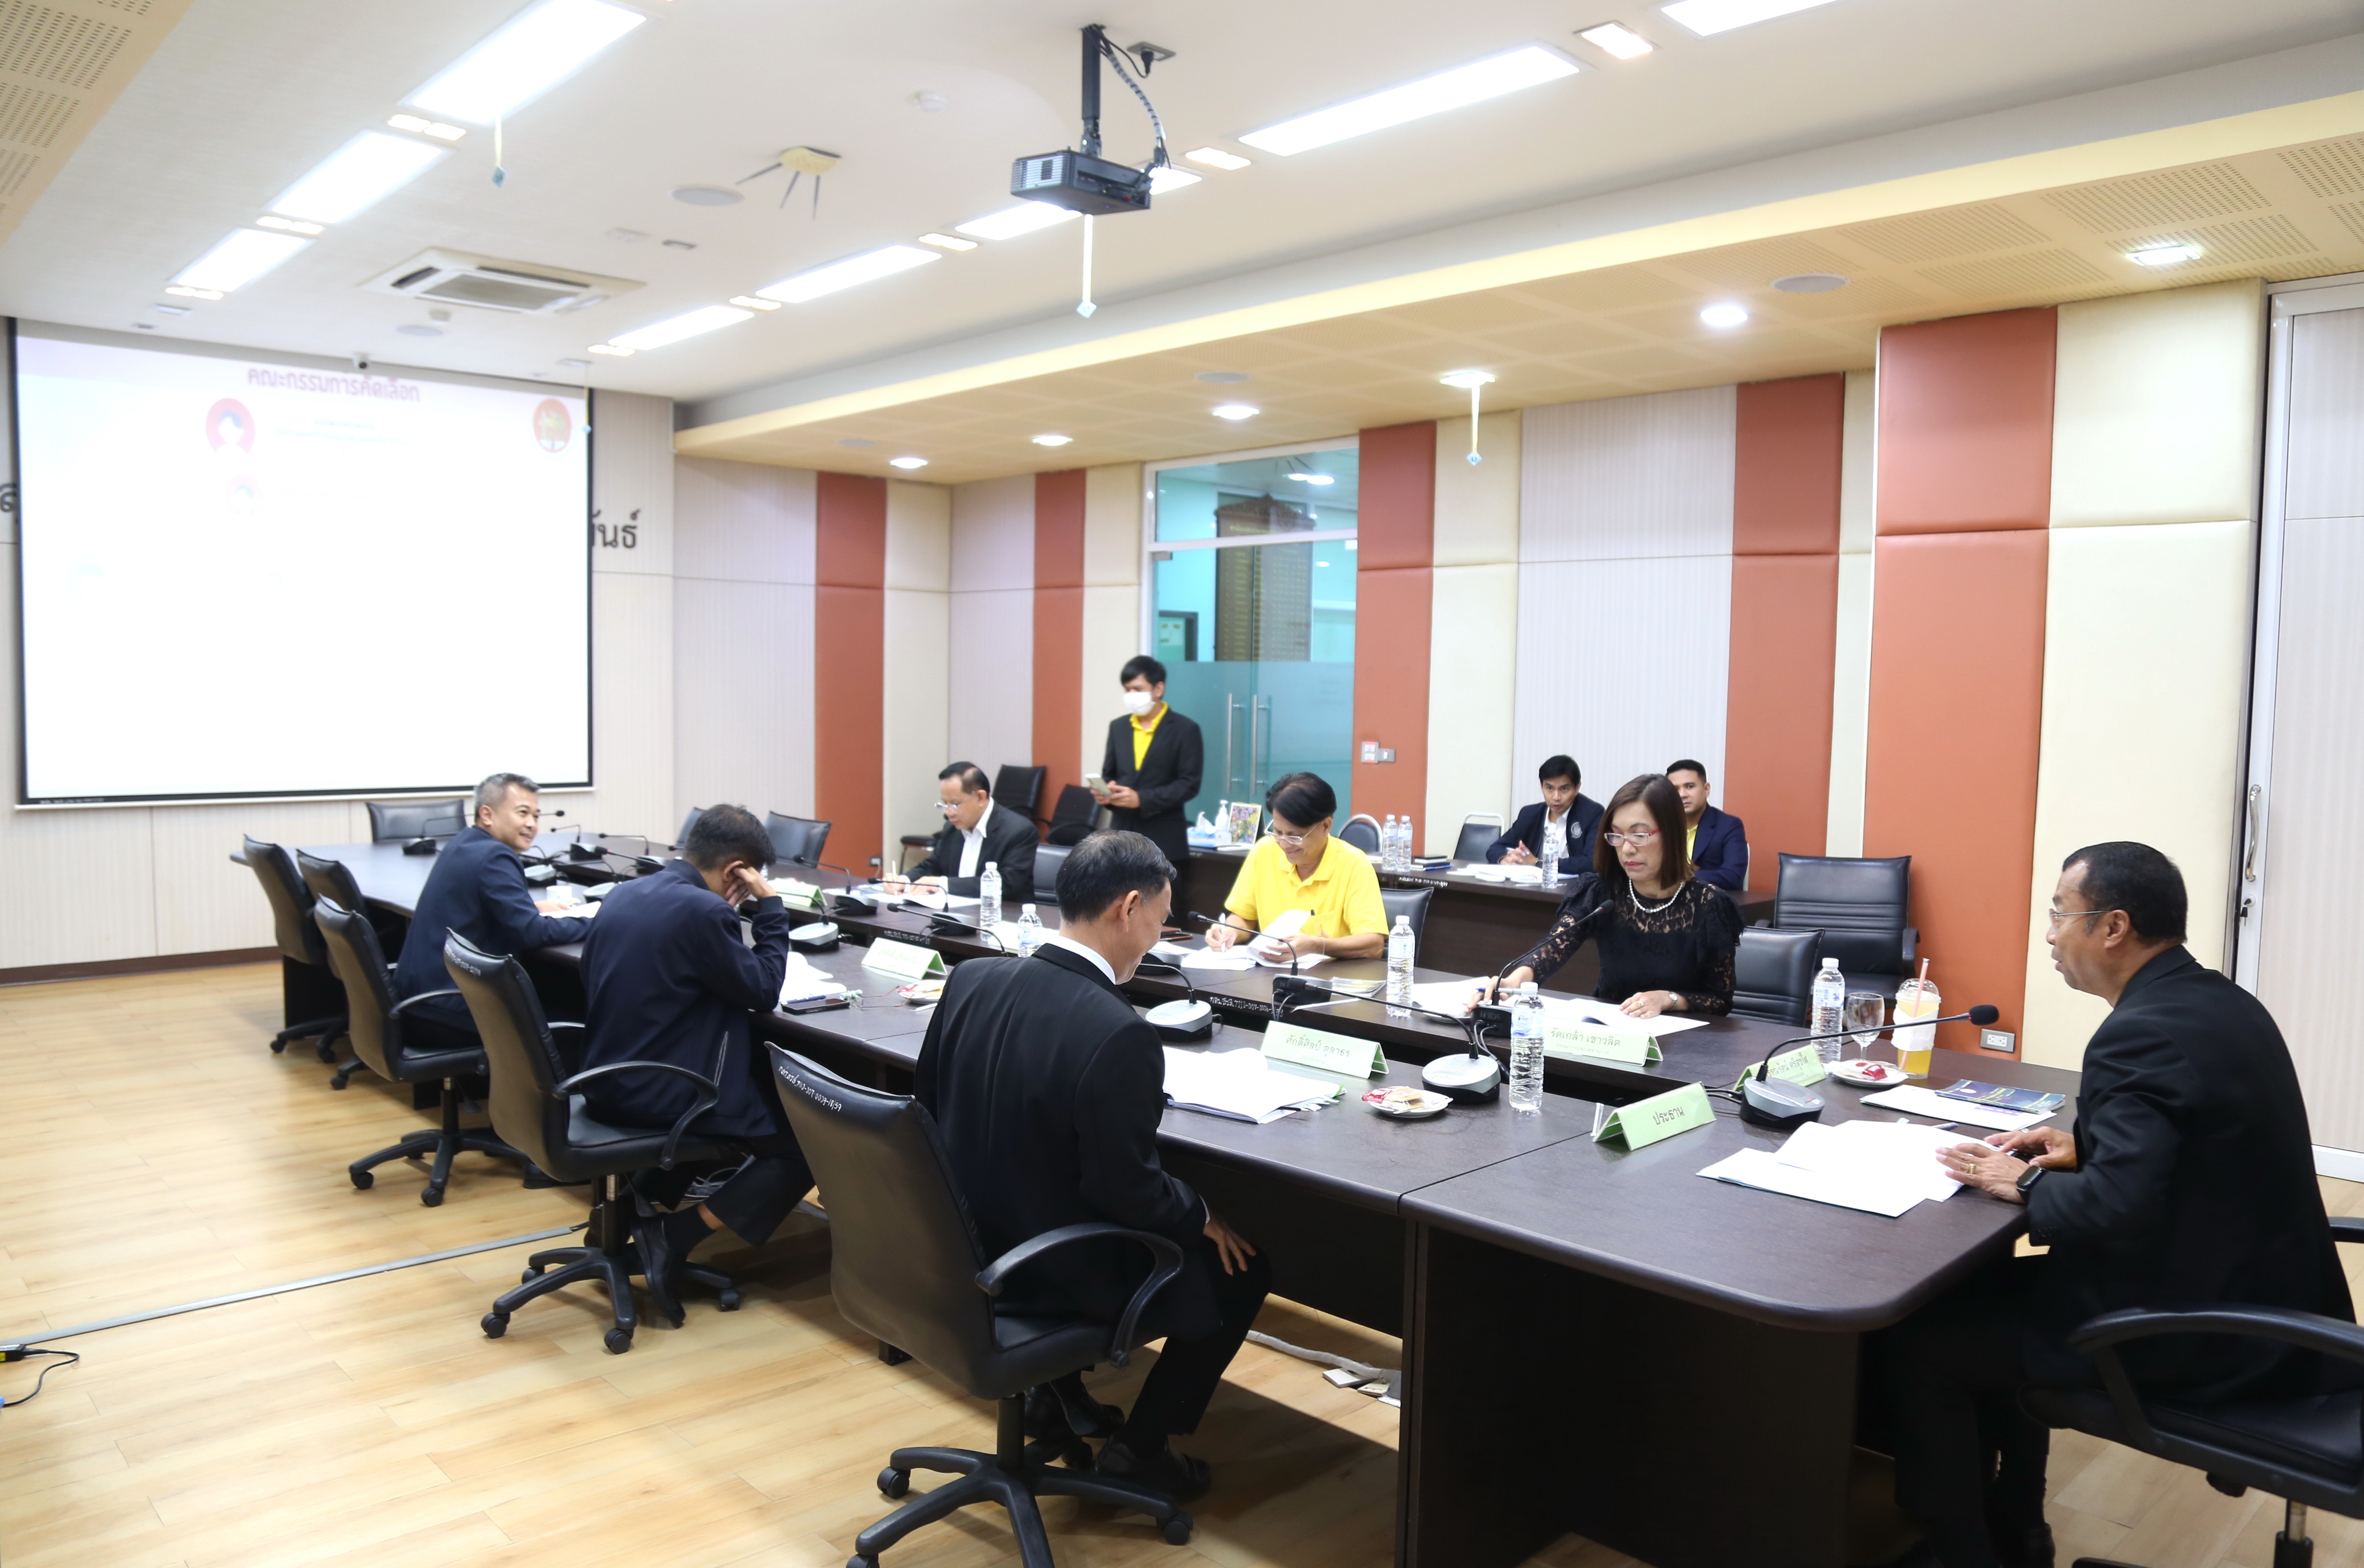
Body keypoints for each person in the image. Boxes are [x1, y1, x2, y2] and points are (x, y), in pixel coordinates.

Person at [1877, 843, 2356, 1568]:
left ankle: (1963, 1552)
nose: (2047, 935)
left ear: (2113, 926)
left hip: (2206, 1330)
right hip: (2272, 1300)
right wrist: (2083, 1146)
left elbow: (2115, 1208)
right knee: (1979, 1296)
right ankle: (2018, 1529)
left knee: (1921, 1339)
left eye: (2057, 915)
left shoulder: (2137, 1032)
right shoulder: (2217, 1000)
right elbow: (2200, 1144)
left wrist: (2023, 1181)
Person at [915, 831, 1269, 1498]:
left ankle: (1052, 1396)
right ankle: (1141, 1449)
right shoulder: (1117, 1030)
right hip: (1048, 1270)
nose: (1158, 937)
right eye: (1160, 919)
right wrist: (1200, 1212)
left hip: (960, 1245)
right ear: (1128, 908)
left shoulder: (970, 979)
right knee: (1240, 1267)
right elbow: (1125, 1190)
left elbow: (925, 1111)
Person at [574, 804, 815, 1326]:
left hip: (604, 1078)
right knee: (805, 1139)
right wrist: (770, 908)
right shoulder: (704, 912)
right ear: (736, 872)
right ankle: (673, 1235)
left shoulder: (626, 892)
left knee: (742, 1103)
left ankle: (628, 1205)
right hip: (661, 1089)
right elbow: (762, 989)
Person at [1487, 773, 1741, 1018]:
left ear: (1672, 833)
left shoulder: (1709, 905)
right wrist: (1515, 979)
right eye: (1617, 835)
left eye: (1639, 835)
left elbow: (1720, 1001)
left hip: (1683, 1037)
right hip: (1609, 1029)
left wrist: (1670, 1000)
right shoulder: (1603, 891)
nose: (1627, 849)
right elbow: (1553, 949)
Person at [393, 771, 585, 1039]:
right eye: (522, 813)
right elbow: (533, 933)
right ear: (487, 815)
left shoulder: (465, 842)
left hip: (418, 1000)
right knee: (579, 1011)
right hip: (450, 1012)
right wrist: (598, 920)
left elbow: (477, 903)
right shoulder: (496, 856)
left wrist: (529, 907)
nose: (532, 824)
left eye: (536, 816)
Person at [1205, 772, 1387, 961]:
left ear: (1326, 826)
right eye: (1278, 832)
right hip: (1272, 972)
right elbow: (1244, 917)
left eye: (1295, 836)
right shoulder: (1265, 852)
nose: (1284, 844)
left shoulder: (1354, 864)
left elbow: (1373, 945)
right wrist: (1228, 932)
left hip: (1331, 975)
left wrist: (1318, 946)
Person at [1094, 655, 1204, 867]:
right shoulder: (1118, 727)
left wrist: (1142, 799)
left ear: (1158, 689)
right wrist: (1106, 792)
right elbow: (1109, 773)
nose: (1131, 696)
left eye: (1138, 689)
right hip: (1121, 836)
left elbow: (1189, 784)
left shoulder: (1185, 729)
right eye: (1127, 690)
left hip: (1164, 838)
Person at [891, 762, 1039, 905]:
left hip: (1003, 914)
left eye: (955, 804)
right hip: (956, 914)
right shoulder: (952, 828)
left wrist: (942, 884)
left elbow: (1007, 884)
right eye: (945, 804)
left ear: (980, 797)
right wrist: (903, 882)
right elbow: (932, 867)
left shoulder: (1019, 831)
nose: (949, 813)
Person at [1486, 754, 1602, 874]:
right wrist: (1505, 859)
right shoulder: (1530, 815)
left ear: (1577, 788)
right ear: (1542, 787)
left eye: (1564, 789)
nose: (1556, 797)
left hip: (1575, 884)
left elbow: (1592, 862)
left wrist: (1538, 863)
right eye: (1550, 788)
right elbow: (1496, 848)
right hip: (1532, 883)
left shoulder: (1592, 814)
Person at [1665, 759, 1747, 892]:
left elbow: (1733, 876)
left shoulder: (1729, 826)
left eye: (1690, 787)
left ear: (1707, 789)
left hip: (1708, 900)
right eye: (1676, 789)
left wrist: (1684, 877)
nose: (1682, 795)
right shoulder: (1663, 827)